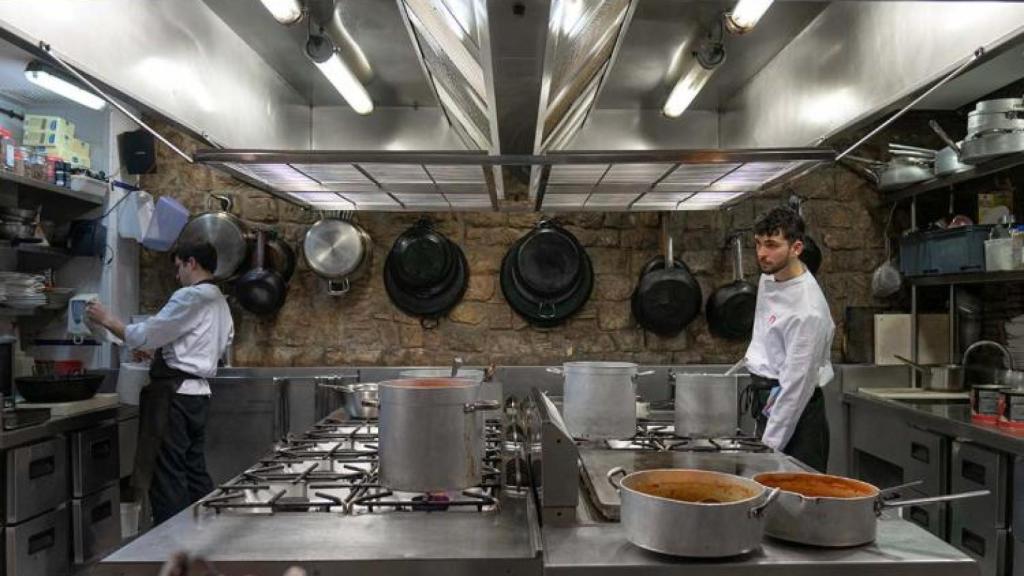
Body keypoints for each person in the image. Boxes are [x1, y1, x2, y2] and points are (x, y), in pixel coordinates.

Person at [87, 242, 234, 524]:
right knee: (193, 469)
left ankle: (172, 548)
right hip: (198, 395)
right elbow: (202, 345)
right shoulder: (219, 302)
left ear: (191, 263)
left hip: (174, 397)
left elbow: (145, 334)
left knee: (167, 474)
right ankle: (206, 538)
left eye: (178, 266)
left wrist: (107, 320)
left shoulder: (190, 297)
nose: (177, 275)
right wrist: (158, 351)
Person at [742, 207, 834, 472]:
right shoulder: (768, 279)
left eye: (771, 245)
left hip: (797, 415)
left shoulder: (808, 311)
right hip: (769, 402)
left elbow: (797, 387)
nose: (762, 253)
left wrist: (769, 447)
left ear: (796, 248)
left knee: (796, 502)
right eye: (758, 244)